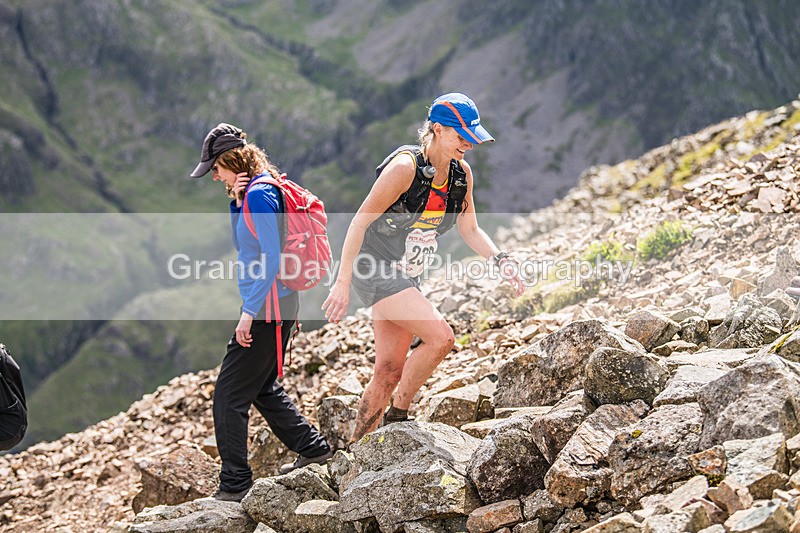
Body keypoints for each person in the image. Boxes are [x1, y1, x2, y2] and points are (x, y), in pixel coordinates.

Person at [322, 93, 524, 442]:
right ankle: (398, 415)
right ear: (437, 130)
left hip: (406, 275)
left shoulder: (461, 177)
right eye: (462, 137)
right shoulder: (404, 168)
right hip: (373, 268)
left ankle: (357, 452)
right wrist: (341, 282)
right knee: (441, 337)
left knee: (387, 370)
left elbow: (470, 228)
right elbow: (358, 222)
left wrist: (500, 260)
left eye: (472, 137)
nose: (469, 144)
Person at [190, 123, 331, 502]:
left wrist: (248, 313)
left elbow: (271, 257)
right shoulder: (255, 191)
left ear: (229, 160)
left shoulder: (261, 196)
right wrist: (235, 203)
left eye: (215, 169)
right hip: (277, 304)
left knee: (228, 396)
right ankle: (314, 449)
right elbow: (244, 244)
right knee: (263, 387)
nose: (214, 176)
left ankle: (235, 484)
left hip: (267, 305)